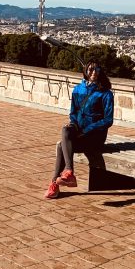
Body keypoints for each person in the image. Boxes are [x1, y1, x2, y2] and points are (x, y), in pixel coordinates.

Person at [45, 61, 115, 199]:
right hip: (80, 132)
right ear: (86, 71)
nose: (94, 72)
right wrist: (73, 125)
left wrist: (87, 129)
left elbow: (108, 120)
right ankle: (69, 172)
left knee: (61, 146)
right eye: (91, 70)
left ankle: (55, 183)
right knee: (65, 131)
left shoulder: (105, 93)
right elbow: (73, 113)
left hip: (95, 136)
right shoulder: (78, 90)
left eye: (97, 70)